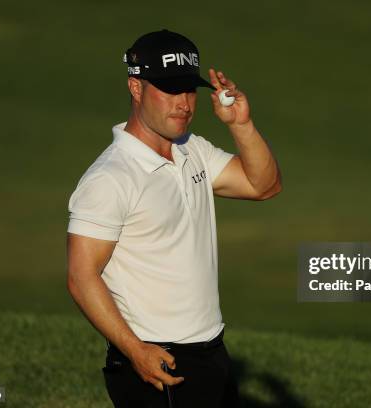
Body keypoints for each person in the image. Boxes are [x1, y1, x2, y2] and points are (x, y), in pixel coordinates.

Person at [66, 29, 281, 407]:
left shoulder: (190, 148)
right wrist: (135, 350)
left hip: (211, 352)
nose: (183, 103)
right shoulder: (110, 178)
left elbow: (263, 185)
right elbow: (81, 277)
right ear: (136, 88)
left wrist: (240, 125)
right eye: (169, 89)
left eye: (188, 89)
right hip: (157, 360)